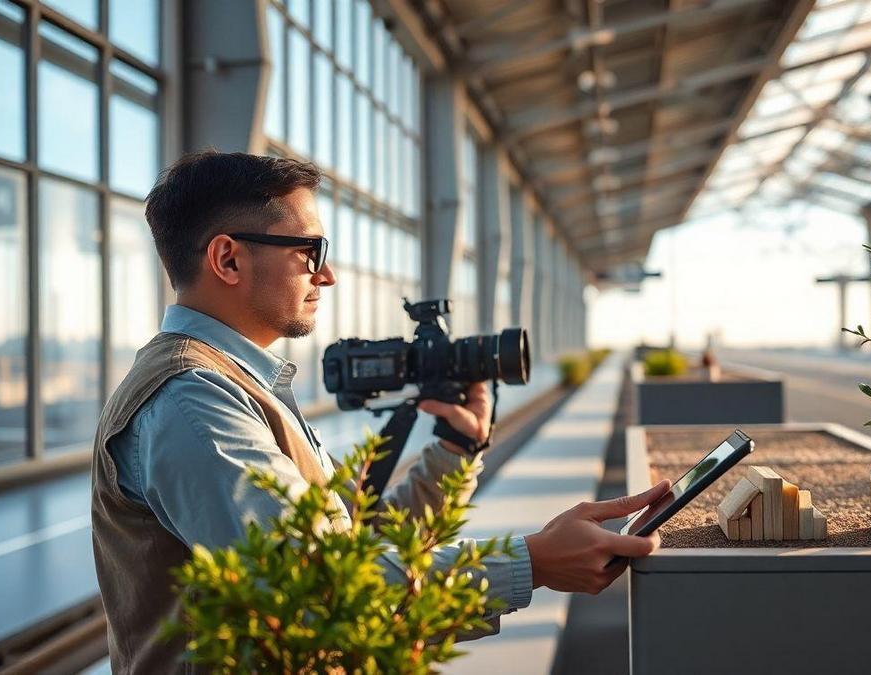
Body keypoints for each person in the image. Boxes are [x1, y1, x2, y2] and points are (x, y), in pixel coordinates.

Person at [90, 150, 670, 673]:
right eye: (310, 249)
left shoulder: (237, 383)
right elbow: (321, 595)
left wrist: (453, 452)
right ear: (228, 259)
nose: (328, 274)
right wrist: (531, 563)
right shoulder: (193, 401)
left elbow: (350, 549)